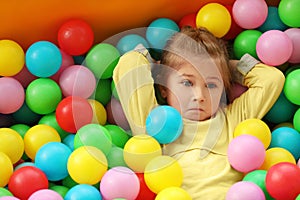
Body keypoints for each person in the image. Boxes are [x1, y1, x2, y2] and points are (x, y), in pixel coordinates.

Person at [113, 27, 285, 199]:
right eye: (187, 83)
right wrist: (158, 67)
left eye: (211, 85)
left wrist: (225, 67)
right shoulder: (154, 124)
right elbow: (129, 65)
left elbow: (271, 79)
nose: (200, 96)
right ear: (164, 88)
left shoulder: (232, 119)